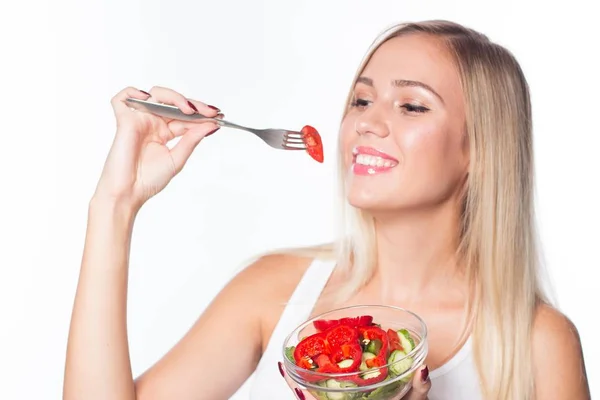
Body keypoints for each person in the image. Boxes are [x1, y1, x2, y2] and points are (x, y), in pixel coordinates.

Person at [63, 19, 591, 400]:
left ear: (480, 149)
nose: (367, 122)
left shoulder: (539, 345)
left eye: (411, 105)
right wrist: (114, 204)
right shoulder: (273, 293)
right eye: (361, 101)